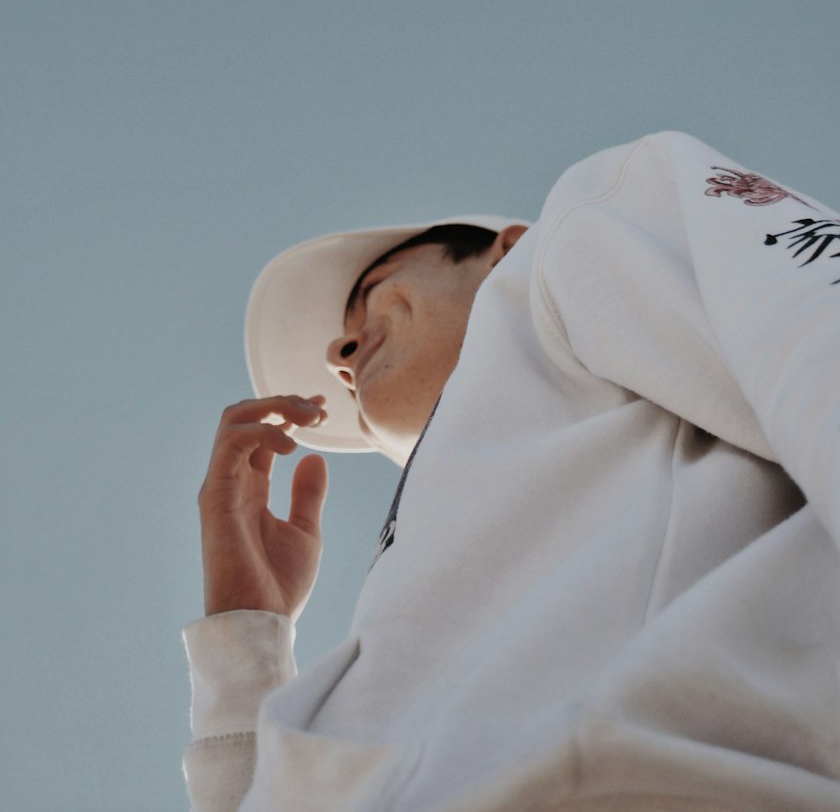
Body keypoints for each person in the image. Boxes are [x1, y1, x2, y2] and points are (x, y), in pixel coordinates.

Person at [183, 131, 840, 810]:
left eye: (374, 290)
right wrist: (244, 638)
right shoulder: (436, 576)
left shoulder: (585, 230)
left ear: (509, 248)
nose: (339, 350)